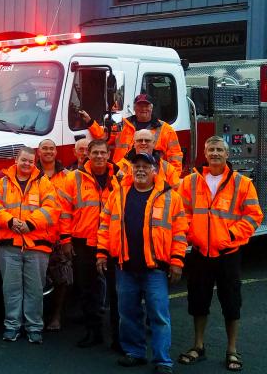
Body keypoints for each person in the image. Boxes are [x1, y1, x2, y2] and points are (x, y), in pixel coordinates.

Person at [177, 136, 263, 372]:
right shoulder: (190, 182)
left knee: (231, 303)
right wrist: (192, 235)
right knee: (198, 302)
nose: (215, 153)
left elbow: (254, 215)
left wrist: (231, 237)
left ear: (227, 154)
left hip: (228, 254)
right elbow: (181, 212)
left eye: (219, 150)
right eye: (211, 149)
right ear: (205, 154)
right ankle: (198, 346)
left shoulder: (242, 183)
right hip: (200, 254)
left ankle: (232, 350)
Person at [97, 153, 187, 374]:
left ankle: (163, 360)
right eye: (136, 166)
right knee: (128, 314)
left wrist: (177, 261)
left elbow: (180, 232)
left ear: (154, 170)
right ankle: (135, 353)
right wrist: (101, 253)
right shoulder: (117, 195)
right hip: (125, 267)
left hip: (155, 268)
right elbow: (105, 225)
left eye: (146, 166)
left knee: (159, 316)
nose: (140, 169)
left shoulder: (170, 197)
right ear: (131, 169)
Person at [0, 146, 58, 344]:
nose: (27, 164)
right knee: (11, 289)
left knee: (35, 290)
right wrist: (10, 221)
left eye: (30, 161)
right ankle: (12, 326)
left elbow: (52, 209)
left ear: (34, 162)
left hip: (37, 246)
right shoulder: (1, 183)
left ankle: (34, 328)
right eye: (23, 160)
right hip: (9, 245)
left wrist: (30, 223)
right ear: (16, 160)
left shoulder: (44, 184)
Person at [58, 139, 120, 349]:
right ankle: (93, 333)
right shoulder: (74, 178)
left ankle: (118, 337)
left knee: (117, 292)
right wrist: (65, 240)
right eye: (95, 153)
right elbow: (64, 211)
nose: (99, 157)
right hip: (83, 242)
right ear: (88, 155)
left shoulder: (120, 177)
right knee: (87, 290)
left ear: (109, 155)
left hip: (113, 242)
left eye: (103, 153)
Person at [38, 138, 70, 332]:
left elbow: (69, 208)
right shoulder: (31, 174)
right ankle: (36, 316)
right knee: (36, 278)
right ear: (38, 152)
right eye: (44, 148)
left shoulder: (67, 176)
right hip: (37, 234)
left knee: (62, 278)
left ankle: (56, 316)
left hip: (59, 235)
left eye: (52, 148)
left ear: (56, 152)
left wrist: (67, 237)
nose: (48, 151)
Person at [112, 94, 183, 177]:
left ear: (151, 108)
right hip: (122, 176)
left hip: (153, 179)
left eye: (146, 106)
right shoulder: (122, 125)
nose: (143, 108)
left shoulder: (166, 129)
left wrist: (173, 177)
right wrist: (92, 122)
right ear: (134, 108)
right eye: (140, 105)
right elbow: (103, 138)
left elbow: (175, 156)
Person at [115, 129, 181, 190]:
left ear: (154, 143)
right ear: (134, 144)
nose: (143, 143)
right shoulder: (120, 167)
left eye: (147, 140)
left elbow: (176, 195)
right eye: (140, 140)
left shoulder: (167, 169)